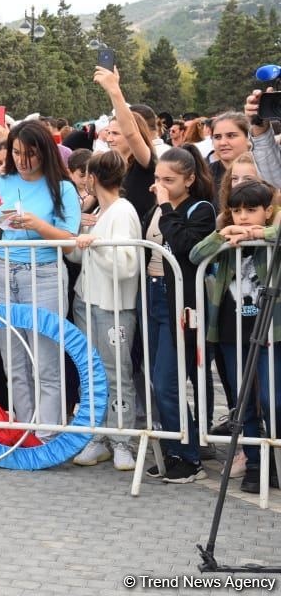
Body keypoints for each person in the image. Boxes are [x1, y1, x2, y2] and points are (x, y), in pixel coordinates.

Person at [0, 119, 80, 438]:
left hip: (44, 272)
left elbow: (69, 241)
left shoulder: (62, 187)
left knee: (45, 359)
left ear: (44, 152)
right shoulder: (1, 181)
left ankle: (47, 434)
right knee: (13, 359)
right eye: (17, 153)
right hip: (2, 270)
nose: (22, 160)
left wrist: (37, 224)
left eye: (30, 153)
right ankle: (24, 432)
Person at [190, 179, 281, 494]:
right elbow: (195, 255)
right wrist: (222, 235)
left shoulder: (269, 238)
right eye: (237, 210)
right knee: (244, 404)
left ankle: (276, 459)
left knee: (272, 399)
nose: (243, 217)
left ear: (268, 211)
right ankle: (255, 464)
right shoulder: (227, 241)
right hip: (231, 332)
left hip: (270, 331)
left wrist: (259, 234)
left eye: (251, 210)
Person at [141, 146, 216, 483]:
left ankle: (189, 456)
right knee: (157, 381)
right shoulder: (158, 208)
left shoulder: (200, 209)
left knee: (168, 382)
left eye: (169, 180)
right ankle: (174, 450)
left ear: (189, 179)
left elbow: (185, 246)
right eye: (158, 178)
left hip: (183, 302)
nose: (161, 185)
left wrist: (166, 208)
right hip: (154, 294)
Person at [66, 150, 142, 471]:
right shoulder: (101, 211)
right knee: (91, 372)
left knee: (116, 373)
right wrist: (79, 233)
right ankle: (97, 435)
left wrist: (92, 243)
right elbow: (76, 255)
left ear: (92, 178)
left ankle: (121, 439)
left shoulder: (122, 211)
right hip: (88, 300)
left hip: (114, 305)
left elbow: (125, 266)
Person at [95, 65, 157, 219]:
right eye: (108, 133)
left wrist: (114, 90)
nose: (109, 139)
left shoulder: (144, 164)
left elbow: (131, 134)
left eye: (115, 133)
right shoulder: (111, 167)